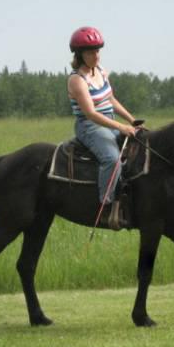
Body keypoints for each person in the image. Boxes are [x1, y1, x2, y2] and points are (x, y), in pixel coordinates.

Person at [67, 26, 140, 222]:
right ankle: (104, 206)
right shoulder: (77, 80)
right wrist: (121, 127)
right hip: (90, 127)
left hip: (109, 123)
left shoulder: (101, 71)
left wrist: (132, 120)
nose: (96, 56)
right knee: (112, 158)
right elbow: (90, 113)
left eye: (98, 51)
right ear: (80, 54)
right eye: (91, 52)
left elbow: (111, 100)